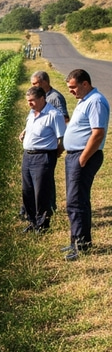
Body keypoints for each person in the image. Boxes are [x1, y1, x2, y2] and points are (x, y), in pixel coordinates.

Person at [62, 69, 110, 260]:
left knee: (76, 201)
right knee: (74, 200)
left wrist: (83, 158)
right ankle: (76, 240)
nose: (71, 91)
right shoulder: (85, 100)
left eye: (73, 87)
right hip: (75, 155)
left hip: (84, 156)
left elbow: (97, 133)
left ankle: (81, 246)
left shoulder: (96, 101)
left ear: (85, 84)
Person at [19, 85, 65, 233]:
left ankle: (43, 225)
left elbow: (62, 138)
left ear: (42, 98)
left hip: (43, 156)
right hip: (28, 156)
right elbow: (31, 126)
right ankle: (32, 221)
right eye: (28, 101)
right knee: (28, 190)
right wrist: (24, 133)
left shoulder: (54, 115)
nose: (29, 104)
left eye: (32, 101)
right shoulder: (32, 113)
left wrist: (56, 153)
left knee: (41, 192)